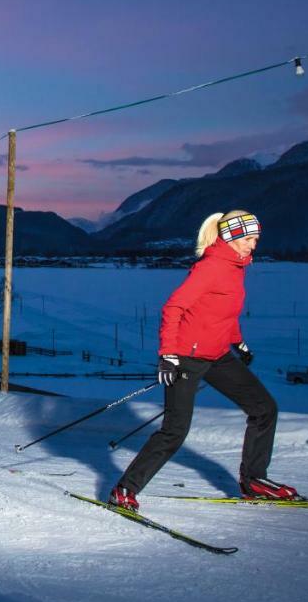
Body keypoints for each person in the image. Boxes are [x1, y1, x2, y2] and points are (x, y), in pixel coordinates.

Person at [108, 211, 298, 512]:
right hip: (186, 357)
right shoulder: (211, 267)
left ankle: (255, 481)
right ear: (232, 237)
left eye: (256, 239)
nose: (253, 245)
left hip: (219, 354)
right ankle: (124, 490)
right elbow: (173, 307)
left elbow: (222, 312)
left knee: (264, 409)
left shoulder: (237, 266)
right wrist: (168, 355)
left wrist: (238, 341)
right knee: (175, 430)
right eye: (249, 239)